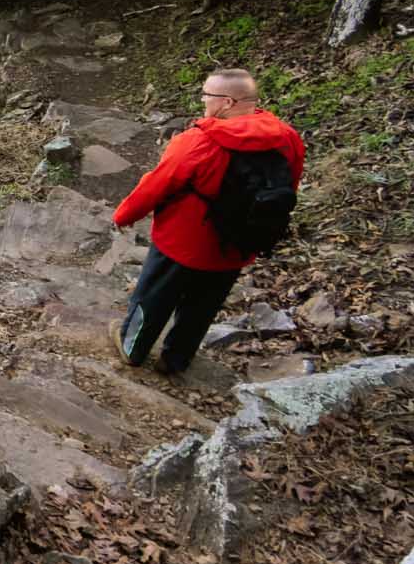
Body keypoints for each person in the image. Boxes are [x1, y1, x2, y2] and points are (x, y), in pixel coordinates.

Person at [110, 67, 306, 376]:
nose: (202, 100)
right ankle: (175, 361)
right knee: (202, 307)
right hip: (238, 242)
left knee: (154, 296)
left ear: (227, 102)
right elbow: (288, 186)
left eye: (207, 94)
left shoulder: (198, 141)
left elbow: (158, 184)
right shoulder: (287, 139)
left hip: (183, 241)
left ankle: (132, 349)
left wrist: (124, 215)